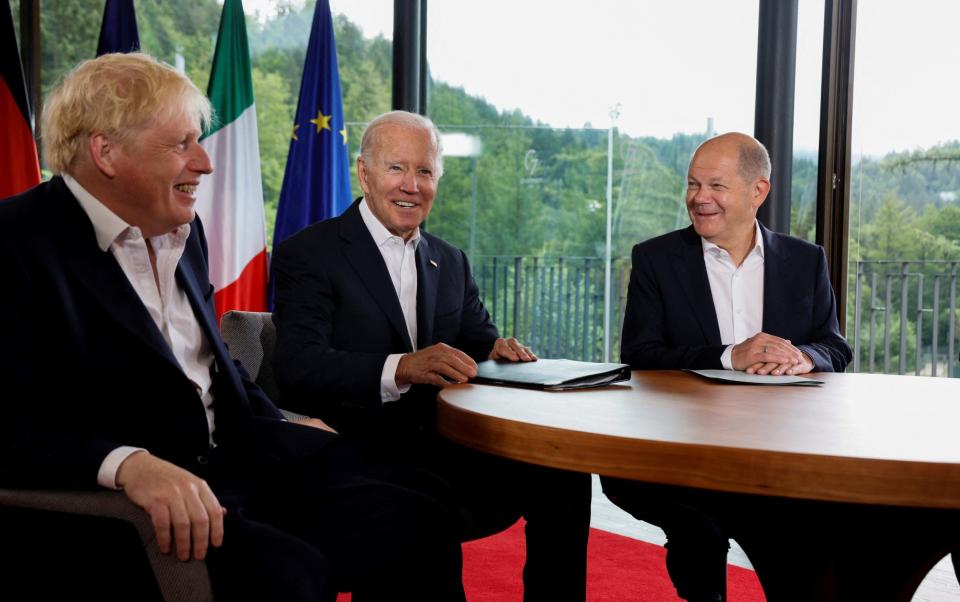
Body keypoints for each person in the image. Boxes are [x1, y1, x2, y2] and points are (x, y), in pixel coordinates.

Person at [0, 53, 464, 601]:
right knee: (295, 574)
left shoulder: (182, 233)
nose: (205, 162)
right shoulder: (16, 244)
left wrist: (286, 421)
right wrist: (126, 465)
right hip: (159, 498)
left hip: (245, 458)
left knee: (424, 508)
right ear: (106, 151)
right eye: (182, 145)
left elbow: (212, 365)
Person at [272, 110, 592, 601]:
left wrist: (497, 350)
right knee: (422, 508)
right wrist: (400, 366)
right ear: (365, 172)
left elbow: (478, 339)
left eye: (425, 171)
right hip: (359, 446)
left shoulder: (451, 260)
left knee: (563, 471)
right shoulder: (309, 253)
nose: (412, 185)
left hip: (445, 440)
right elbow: (299, 367)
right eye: (397, 168)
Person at [602, 132, 852, 602]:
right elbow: (641, 355)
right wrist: (728, 355)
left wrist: (803, 358)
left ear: (758, 191)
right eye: (693, 185)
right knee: (702, 531)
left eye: (716, 186)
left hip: (781, 456)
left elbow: (835, 348)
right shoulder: (655, 259)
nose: (699, 199)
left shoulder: (806, 260)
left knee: (816, 542)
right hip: (682, 456)